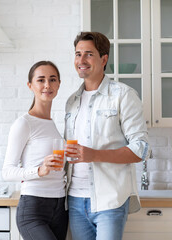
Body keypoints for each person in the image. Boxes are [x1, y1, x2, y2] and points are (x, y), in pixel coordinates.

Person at [64, 31, 150, 240]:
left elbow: (141, 149)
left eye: (88, 54)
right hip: (74, 199)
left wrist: (94, 155)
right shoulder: (71, 101)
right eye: (77, 54)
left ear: (104, 59)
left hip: (109, 199)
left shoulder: (123, 95)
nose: (81, 60)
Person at [2, 61, 68, 240]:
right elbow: (7, 171)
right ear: (30, 85)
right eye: (41, 80)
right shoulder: (24, 123)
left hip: (60, 208)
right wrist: (39, 170)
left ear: (59, 84)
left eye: (52, 79)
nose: (47, 85)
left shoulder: (53, 125)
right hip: (33, 209)